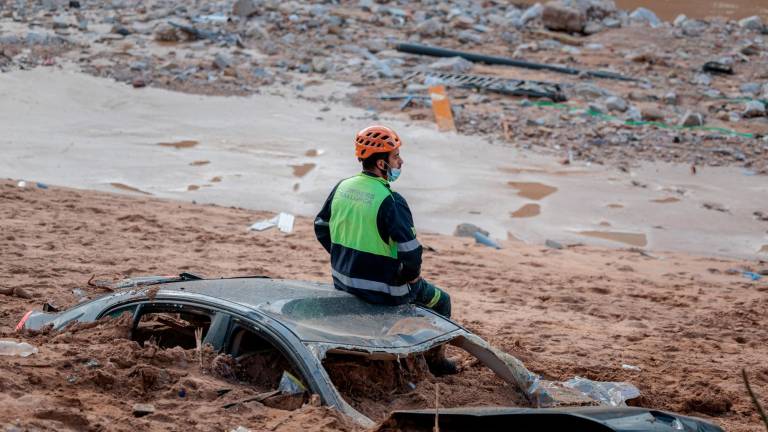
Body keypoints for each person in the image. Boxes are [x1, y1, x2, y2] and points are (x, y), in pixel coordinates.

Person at [314, 125, 457, 375]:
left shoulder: (342, 187)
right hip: (384, 291)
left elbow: (321, 226)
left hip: (343, 281)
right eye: (396, 157)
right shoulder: (391, 200)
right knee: (441, 301)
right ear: (382, 164)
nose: (401, 161)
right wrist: (409, 277)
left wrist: (343, 256)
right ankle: (437, 363)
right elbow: (412, 254)